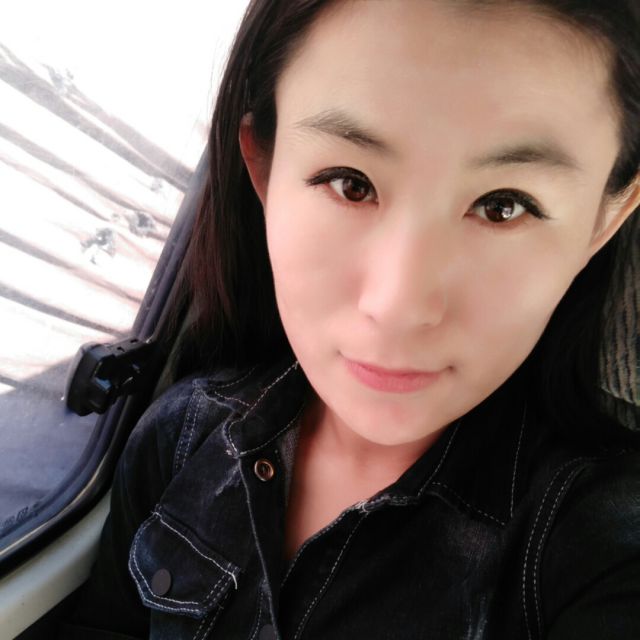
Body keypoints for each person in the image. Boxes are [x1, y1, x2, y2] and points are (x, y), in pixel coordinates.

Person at [63, 0, 640, 638]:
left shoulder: (594, 549)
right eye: (350, 183)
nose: (397, 306)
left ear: (604, 220)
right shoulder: (180, 437)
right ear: (263, 168)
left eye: (503, 206)